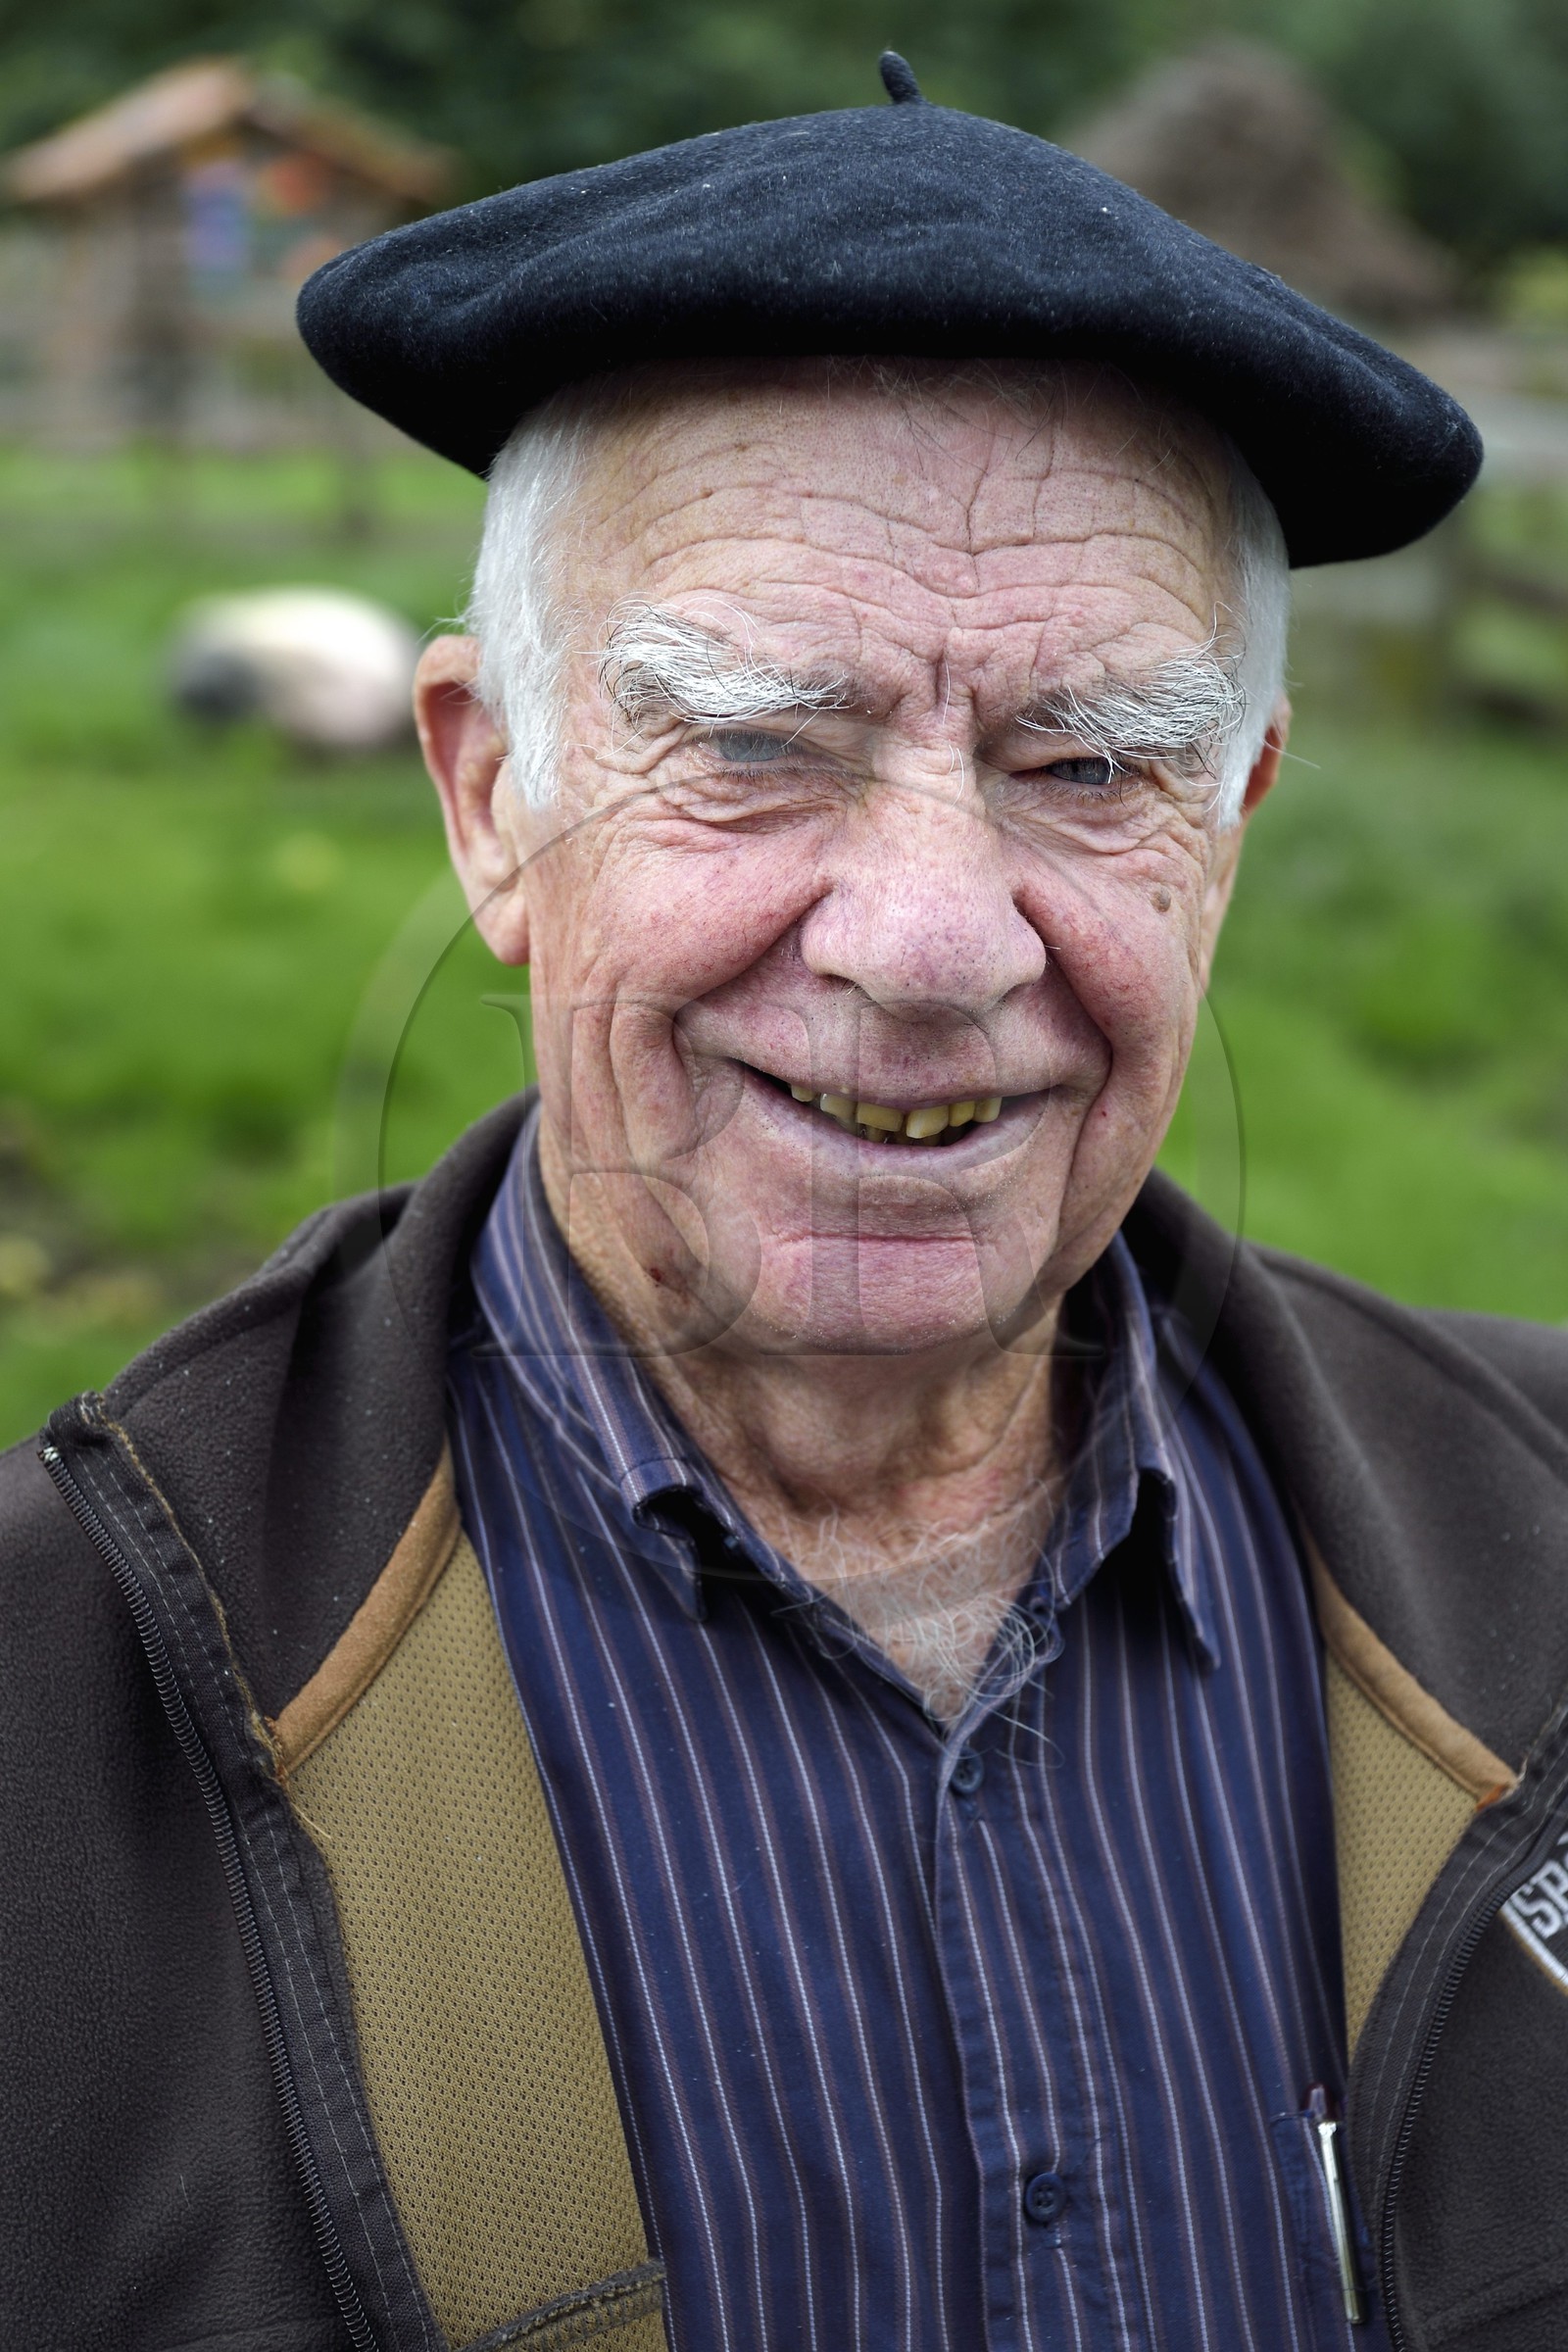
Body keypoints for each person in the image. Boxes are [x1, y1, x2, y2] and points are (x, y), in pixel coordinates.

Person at [7, 56, 1567, 2352]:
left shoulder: (1541, 1556)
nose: (925, 944)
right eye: (752, 741)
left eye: (1085, 764)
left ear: (1227, 823)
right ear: (490, 798)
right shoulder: (53, 1714)